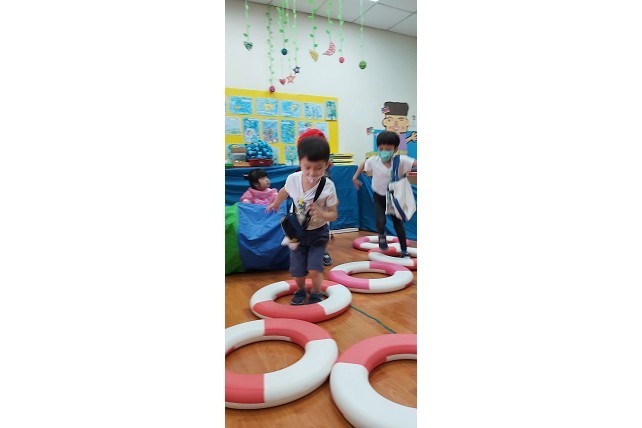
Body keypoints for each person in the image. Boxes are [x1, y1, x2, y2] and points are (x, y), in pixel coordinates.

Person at [266, 135, 339, 305]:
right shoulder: (293, 179)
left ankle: (316, 292)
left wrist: (322, 213)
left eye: (318, 168)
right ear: (300, 162)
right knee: (297, 270)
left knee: (314, 269)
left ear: (327, 165)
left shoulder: (328, 186)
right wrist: (276, 203)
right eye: (307, 167)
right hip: (295, 232)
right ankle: (300, 290)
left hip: (318, 233)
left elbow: (334, 214)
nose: (312, 173)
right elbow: (284, 191)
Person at [353, 131, 416, 257]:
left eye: (388, 149)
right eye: (381, 149)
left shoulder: (400, 161)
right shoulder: (374, 160)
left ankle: (404, 249)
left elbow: (415, 163)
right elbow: (363, 164)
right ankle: (382, 236)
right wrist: (354, 177)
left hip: (394, 198)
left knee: (398, 224)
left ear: (395, 149)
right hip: (379, 196)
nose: (384, 152)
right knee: (380, 221)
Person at [297, 128, 334, 266]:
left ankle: (322, 250)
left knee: (322, 225)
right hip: (303, 209)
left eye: (318, 167)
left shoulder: (325, 178)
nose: (312, 171)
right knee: (302, 223)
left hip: (320, 212)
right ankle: (303, 249)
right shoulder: (298, 174)